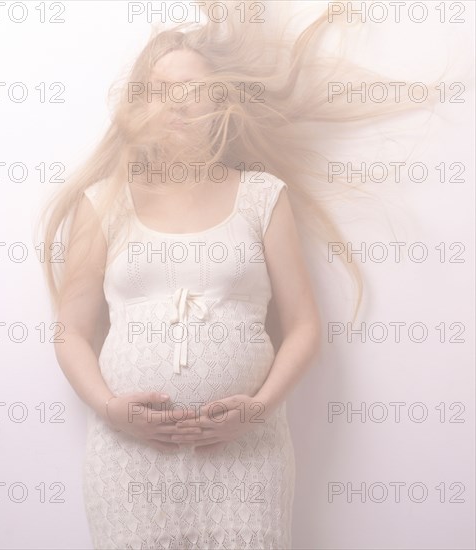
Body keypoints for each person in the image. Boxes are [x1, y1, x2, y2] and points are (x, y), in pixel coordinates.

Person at [38, 2, 426, 548]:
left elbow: (304, 326)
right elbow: (71, 332)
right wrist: (110, 410)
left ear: (220, 100)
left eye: (194, 89)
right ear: (140, 101)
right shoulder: (102, 204)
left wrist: (258, 410)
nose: (180, 103)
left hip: (248, 454)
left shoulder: (262, 196)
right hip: (129, 458)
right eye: (163, 89)